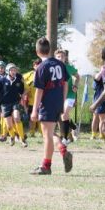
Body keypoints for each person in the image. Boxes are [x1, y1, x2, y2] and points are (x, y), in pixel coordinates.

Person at [30, 37, 72, 175]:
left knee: (47, 135)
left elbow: (39, 90)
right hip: (58, 102)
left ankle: (46, 166)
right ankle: (62, 149)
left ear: (37, 52)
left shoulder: (42, 67)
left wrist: (34, 110)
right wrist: (63, 100)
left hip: (47, 103)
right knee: (51, 133)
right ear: (50, 50)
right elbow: (65, 83)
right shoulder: (60, 64)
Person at [0, 63, 26, 147]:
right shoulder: (2, 80)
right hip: (5, 105)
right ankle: (12, 138)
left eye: (15, 70)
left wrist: (22, 98)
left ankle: (22, 140)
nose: (14, 72)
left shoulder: (18, 81)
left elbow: (22, 91)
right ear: (8, 71)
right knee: (9, 126)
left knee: (17, 118)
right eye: (12, 70)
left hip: (15, 103)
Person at [55, 49, 79, 143]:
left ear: (65, 58)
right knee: (63, 116)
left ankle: (64, 139)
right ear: (55, 58)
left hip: (70, 95)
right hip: (59, 95)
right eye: (58, 57)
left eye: (62, 57)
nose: (61, 58)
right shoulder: (54, 69)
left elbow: (78, 77)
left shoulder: (69, 68)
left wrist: (76, 85)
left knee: (64, 114)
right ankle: (73, 126)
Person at [22, 59, 41, 138]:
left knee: (41, 117)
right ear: (34, 66)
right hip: (31, 100)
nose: (38, 66)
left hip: (42, 100)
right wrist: (25, 88)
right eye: (36, 65)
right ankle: (32, 132)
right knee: (32, 117)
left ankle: (41, 132)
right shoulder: (29, 74)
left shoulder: (45, 74)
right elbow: (20, 78)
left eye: (39, 64)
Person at [91, 65, 105, 140]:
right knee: (96, 118)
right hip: (98, 100)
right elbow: (96, 80)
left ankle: (101, 135)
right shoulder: (98, 77)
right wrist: (102, 71)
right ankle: (94, 135)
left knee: (103, 119)